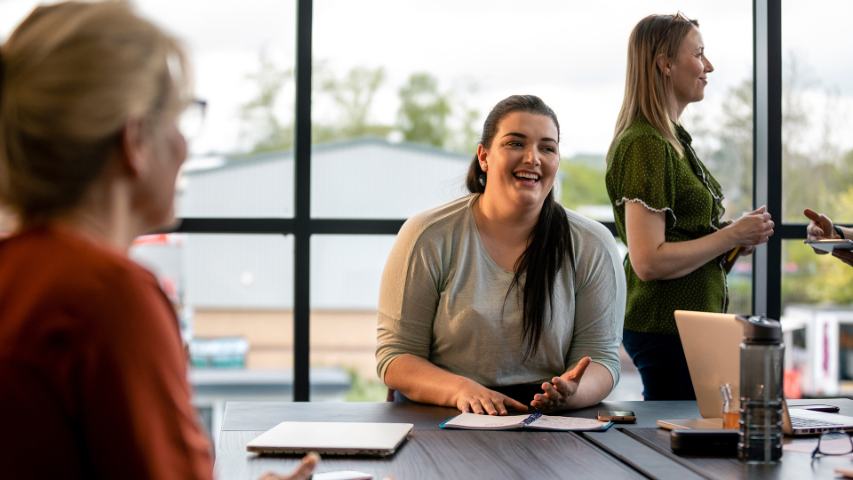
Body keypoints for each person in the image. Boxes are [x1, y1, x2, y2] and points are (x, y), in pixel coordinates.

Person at [0, 2, 316, 479]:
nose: (186, 146)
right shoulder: (109, 298)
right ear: (134, 141)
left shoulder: (18, 275)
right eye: (178, 118)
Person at [376, 95, 626, 415]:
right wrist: (461, 390)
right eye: (515, 144)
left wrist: (572, 394)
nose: (533, 158)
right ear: (484, 156)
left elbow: (601, 359)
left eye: (547, 148)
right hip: (442, 411)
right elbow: (396, 356)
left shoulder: (592, 244)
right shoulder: (427, 235)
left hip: (548, 418)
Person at [605, 13, 775, 400]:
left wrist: (731, 241)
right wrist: (729, 235)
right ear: (665, 64)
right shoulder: (646, 144)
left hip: (682, 328)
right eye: (698, 54)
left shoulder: (671, 141)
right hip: (668, 330)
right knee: (679, 444)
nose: (708, 66)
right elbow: (649, 261)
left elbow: (680, 242)